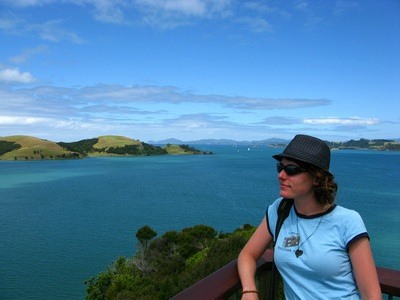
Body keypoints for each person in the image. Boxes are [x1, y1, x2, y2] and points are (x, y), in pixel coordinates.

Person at [237, 134, 381, 299]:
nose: (281, 175)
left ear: (316, 179)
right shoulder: (279, 210)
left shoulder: (348, 221)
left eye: (291, 169)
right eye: (280, 167)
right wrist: (249, 290)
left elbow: (371, 294)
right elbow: (247, 255)